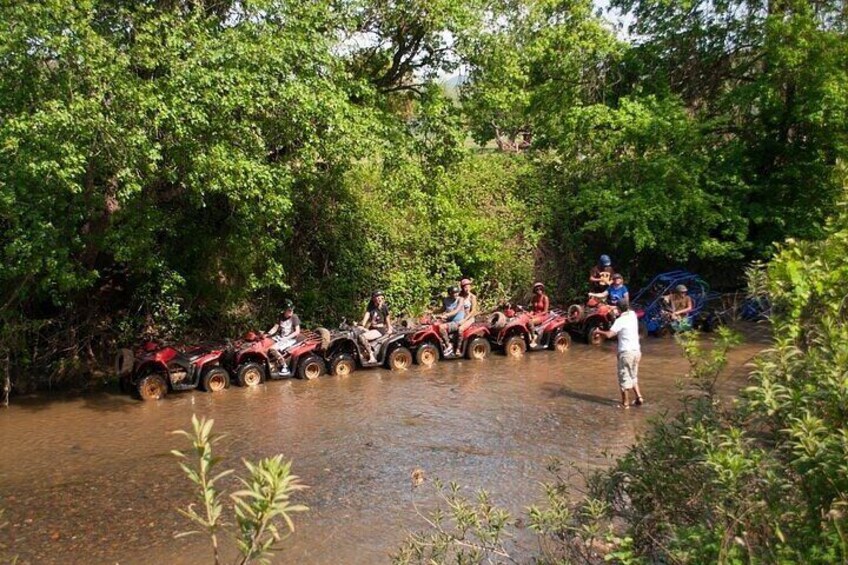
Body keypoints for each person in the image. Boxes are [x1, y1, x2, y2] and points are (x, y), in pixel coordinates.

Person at [596, 297, 644, 408]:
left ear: (618, 309)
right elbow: (623, 310)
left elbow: (609, 334)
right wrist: (614, 309)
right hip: (636, 351)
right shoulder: (632, 315)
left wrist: (599, 331)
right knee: (633, 375)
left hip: (626, 352)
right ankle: (639, 398)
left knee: (623, 378)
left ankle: (625, 404)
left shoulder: (620, 321)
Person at [358, 290, 393, 363]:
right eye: (378, 297)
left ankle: (372, 356)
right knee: (356, 334)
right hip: (371, 328)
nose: (380, 299)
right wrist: (362, 325)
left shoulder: (384, 307)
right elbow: (367, 315)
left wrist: (389, 328)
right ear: (373, 298)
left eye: (381, 297)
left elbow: (387, 317)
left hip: (380, 330)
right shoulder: (371, 306)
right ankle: (362, 353)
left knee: (362, 337)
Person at [267, 300, 301, 372]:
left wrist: (286, 338)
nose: (291, 311)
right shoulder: (281, 316)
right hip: (281, 337)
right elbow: (275, 327)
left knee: (273, 349)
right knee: (266, 343)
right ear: (284, 310)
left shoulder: (294, 317)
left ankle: (284, 366)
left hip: (290, 339)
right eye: (289, 310)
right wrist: (268, 334)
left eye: (292, 309)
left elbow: (297, 331)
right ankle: (271, 363)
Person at [436, 286, 464, 355]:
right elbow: (442, 309)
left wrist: (446, 315)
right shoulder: (446, 300)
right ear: (450, 293)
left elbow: (456, 310)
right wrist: (432, 312)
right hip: (448, 321)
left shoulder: (460, 299)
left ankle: (449, 346)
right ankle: (441, 345)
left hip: (458, 322)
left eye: (457, 292)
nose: (456, 294)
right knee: (434, 325)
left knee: (441, 327)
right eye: (454, 293)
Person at [456, 278, 479, 352]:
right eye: (465, 287)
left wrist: (464, 320)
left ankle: (458, 348)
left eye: (468, 286)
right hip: (459, 317)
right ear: (462, 288)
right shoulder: (459, 296)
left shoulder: (472, 297)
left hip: (469, 318)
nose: (467, 288)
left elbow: (473, 311)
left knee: (460, 329)